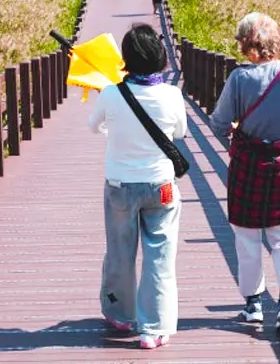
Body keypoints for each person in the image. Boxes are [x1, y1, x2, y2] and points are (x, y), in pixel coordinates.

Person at [210, 13, 280, 333]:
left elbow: (218, 123)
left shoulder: (239, 78)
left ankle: (254, 305)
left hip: (248, 164)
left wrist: (235, 128)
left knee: (247, 236)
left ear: (247, 44)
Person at [87, 24, 187, 350]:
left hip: (120, 186)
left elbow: (93, 126)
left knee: (120, 252)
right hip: (162, 186)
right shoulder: (172, 94)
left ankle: (120, 314)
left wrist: (111, 115)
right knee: (160, 256)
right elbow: (179, 133)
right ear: (159, 57)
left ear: (126, 58)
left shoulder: (111, 93)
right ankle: (154, 329)